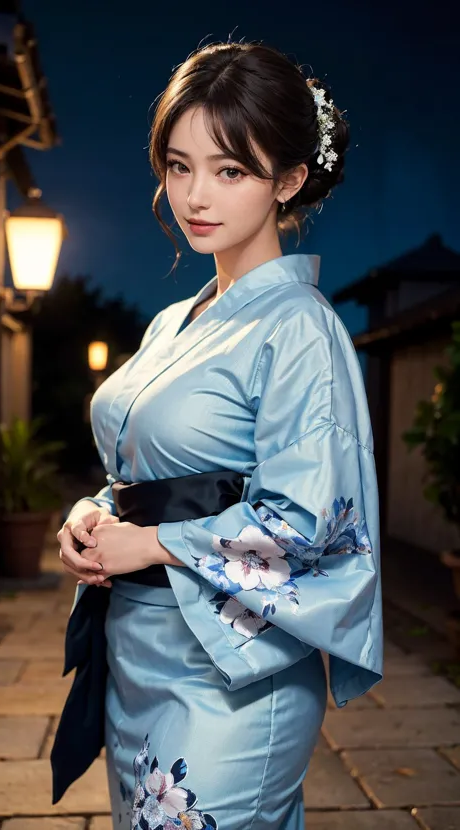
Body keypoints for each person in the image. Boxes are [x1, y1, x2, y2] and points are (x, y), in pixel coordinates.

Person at [57, 40, 383, 830]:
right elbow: (144, 469)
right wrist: (93, 512)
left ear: (290, 179)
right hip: (139, 648)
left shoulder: (301, 327)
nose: (196, 195)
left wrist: (158, 545)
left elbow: (309, 520)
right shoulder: (175, 320)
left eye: (230, 170)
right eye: (179, 166)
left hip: (234, 667)